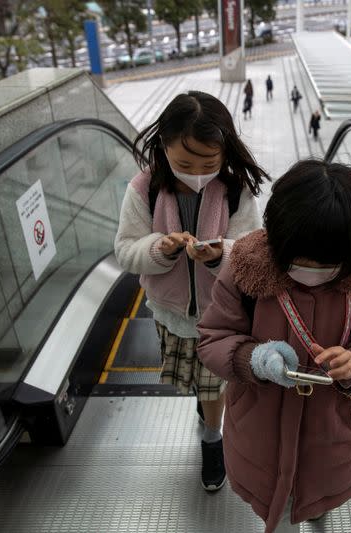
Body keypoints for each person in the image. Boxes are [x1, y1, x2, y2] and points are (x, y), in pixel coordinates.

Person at [197, 160, 351, 532]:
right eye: (299, 261)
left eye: (327, 265)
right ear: (278, 236)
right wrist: (254, 360)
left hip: (332, 441)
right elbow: (213, 338)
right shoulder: (246, 269)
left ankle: (316, 511)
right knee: (276, 512)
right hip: (259, 438)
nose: (312, 272)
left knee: (319, 502)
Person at [114, 91, 267, 492]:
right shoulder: (145, 189)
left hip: (222, 315)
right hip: (171, 314)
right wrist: (160, 249)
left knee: (214, 384)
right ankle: (208, 414)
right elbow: (125, 250)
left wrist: (221, 256)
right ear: (163, 147)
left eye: (208, 163)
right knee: (200, 385)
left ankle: (212, 438)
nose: (196, 173)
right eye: (184, 163)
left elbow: (251, 253)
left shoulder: (235, 192)